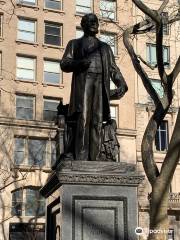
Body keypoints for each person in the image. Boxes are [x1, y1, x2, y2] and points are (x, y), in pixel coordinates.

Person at [60, 13, 128, 161]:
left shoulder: (105, 48)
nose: (94, 24)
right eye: (90, 21)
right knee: (83, 119)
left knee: (97, 121)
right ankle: (82, 158)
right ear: (83, 25)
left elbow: (113, 69)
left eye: (96, 21)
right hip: (84, 83)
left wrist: (121, 83)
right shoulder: (74, 44)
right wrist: (79, 63)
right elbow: (64, 63)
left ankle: (96, 157)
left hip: (99, 84)